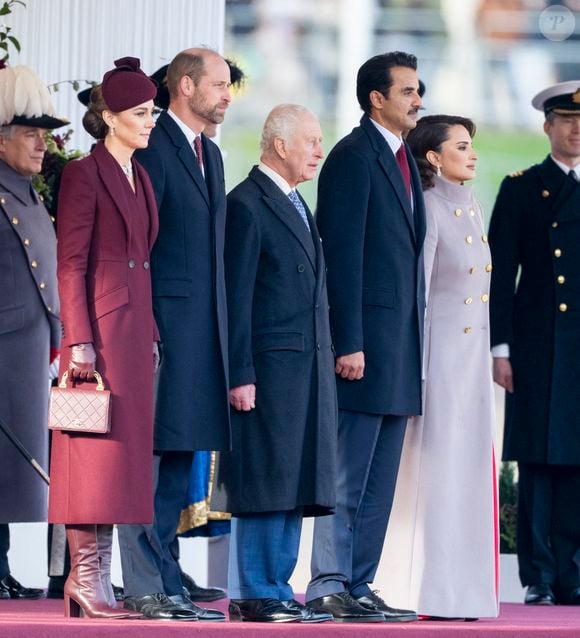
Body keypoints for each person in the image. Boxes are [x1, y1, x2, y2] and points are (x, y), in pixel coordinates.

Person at [305, 51, 425, 623]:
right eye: (407, 91)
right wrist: (346, 340)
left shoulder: (401, 160)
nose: (417, 100)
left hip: (398, 349)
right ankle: (328, 581)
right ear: (376, 98)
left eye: (417, 90)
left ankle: (359, 583)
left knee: (379, 481)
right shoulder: (354, 158)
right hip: (362, 349)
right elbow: (342, 256)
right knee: (349, 473)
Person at [116, 48, 231, 622]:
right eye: (218, 84)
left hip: (201, 337)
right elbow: (139, 246)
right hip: (158, 334)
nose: (227, 94)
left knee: (180, 458)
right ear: (184, 86)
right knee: (150, 460)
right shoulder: (153, 146)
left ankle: (167, 582)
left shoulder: (209, 152)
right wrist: (146, 328)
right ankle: (144, 586)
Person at [47, 57, 159, 619]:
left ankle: (99, 582)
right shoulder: (83, 174)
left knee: (120, 460)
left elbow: (143, 261)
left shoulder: (140, 173)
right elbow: (71, 263)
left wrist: (154, 332)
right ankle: (84, 579)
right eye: (140, 113)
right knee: (90, 453)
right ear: (109, 117)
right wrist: (79, 342)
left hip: (136, 336)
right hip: (98, 336)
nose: (150, 121)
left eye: (153, 111)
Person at [218, 104, 336, 624]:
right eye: (310, 140)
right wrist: (239, 372)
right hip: (266, 372)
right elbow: (235, 298)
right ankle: (258, 590)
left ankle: (277, 590)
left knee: (292, 481)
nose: (318, 150)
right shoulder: (247, 204)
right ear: (280, 145)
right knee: (267, 479)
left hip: (303, 371)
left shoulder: (296, 203)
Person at [382, 114, 499, 619]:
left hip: (470, 366)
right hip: (438, 364)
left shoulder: (470, 206)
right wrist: (420, 371)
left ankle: (463, 590)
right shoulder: (428, 207)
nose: (472, 154)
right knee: (435, 471)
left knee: (467, 473)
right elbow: (420, 298)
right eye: (461, 146)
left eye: (472, 146)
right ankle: (420, 589)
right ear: (434, 157)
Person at [489, 80, 580, 606]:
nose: (574, 129)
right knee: (539, 463)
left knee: (576, 464)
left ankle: (572, 573)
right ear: (547, 126)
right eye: (565, 119)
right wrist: (500, 349)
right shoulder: (522, 187)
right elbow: (501, 275)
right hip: (538, 347)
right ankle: (538, 576)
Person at [0, 64, 67, 601]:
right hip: (4, 348)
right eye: (30, 135)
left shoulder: (27, 192)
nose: (42, 145)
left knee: (12, 464)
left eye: (44, 135)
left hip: (29, 349)